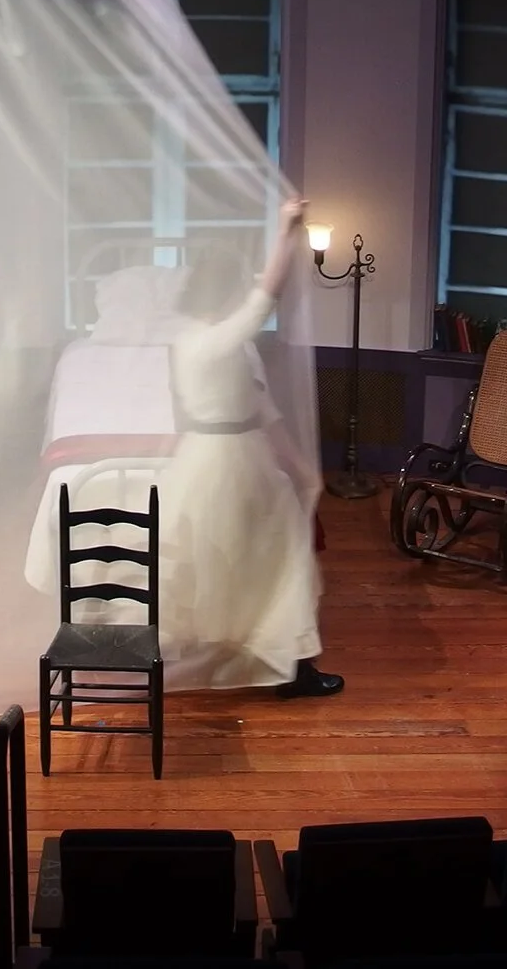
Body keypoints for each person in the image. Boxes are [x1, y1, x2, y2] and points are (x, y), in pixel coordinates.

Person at [162, 196, 343, 698]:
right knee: (274, 556)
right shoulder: (209, 341)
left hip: (224, 456)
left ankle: (286, 659)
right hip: (227, 462)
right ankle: (289, 664)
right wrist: (286, 229)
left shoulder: (208, 341)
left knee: (262, 556)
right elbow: (269, 293)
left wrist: (303, 468)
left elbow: (258, 406)